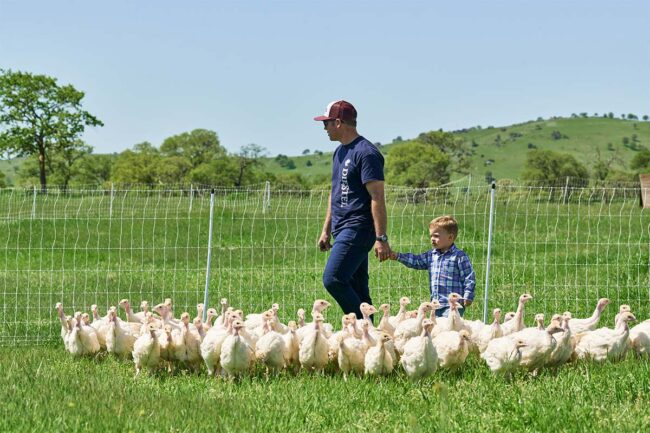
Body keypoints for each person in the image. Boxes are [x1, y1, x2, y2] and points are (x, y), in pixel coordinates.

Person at [314, 100, 391, 319]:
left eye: (326, 123)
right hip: (341, 228)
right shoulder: (339, 152)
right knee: (359, 289)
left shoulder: (366, 153)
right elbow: (335, 192)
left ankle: (359, 328)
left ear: (338, 122)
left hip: (358, 228)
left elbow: (377, 196)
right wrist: (326, 230)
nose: (325, 128)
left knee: (334, 279)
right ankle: (371, 343)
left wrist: (381, 237)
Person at [389, 215, 475, 317]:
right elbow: (416, 261)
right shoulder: (431, 255)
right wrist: (398, 256)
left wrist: (467, 296)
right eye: (431, 236)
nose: (432, 239)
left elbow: (468, 277)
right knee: (436, 330)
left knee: (449, 330)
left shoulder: (459, 256)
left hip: (453, 305)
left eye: (436, 236)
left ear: (450, 237)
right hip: (436, 305)